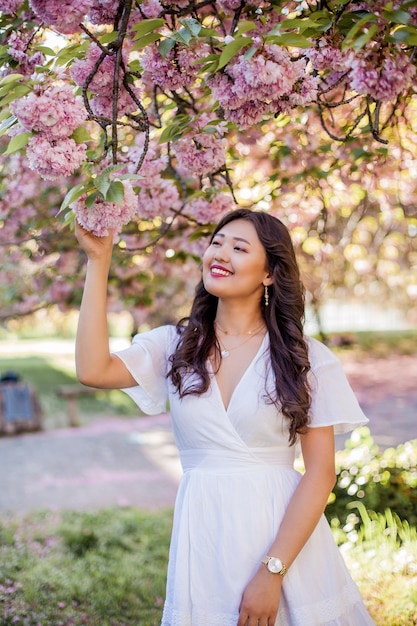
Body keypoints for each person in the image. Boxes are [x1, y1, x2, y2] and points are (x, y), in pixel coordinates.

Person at [75, 208, 375, 626]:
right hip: (206, 538)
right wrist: (98, 260)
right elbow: (92, 369)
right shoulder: (174, 345)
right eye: (217, 242)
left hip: (283, 541)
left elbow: (320, 473)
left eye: (239, 247)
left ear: (269, 273)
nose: (220, 252)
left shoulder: (304, 359)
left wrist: (273, 572)